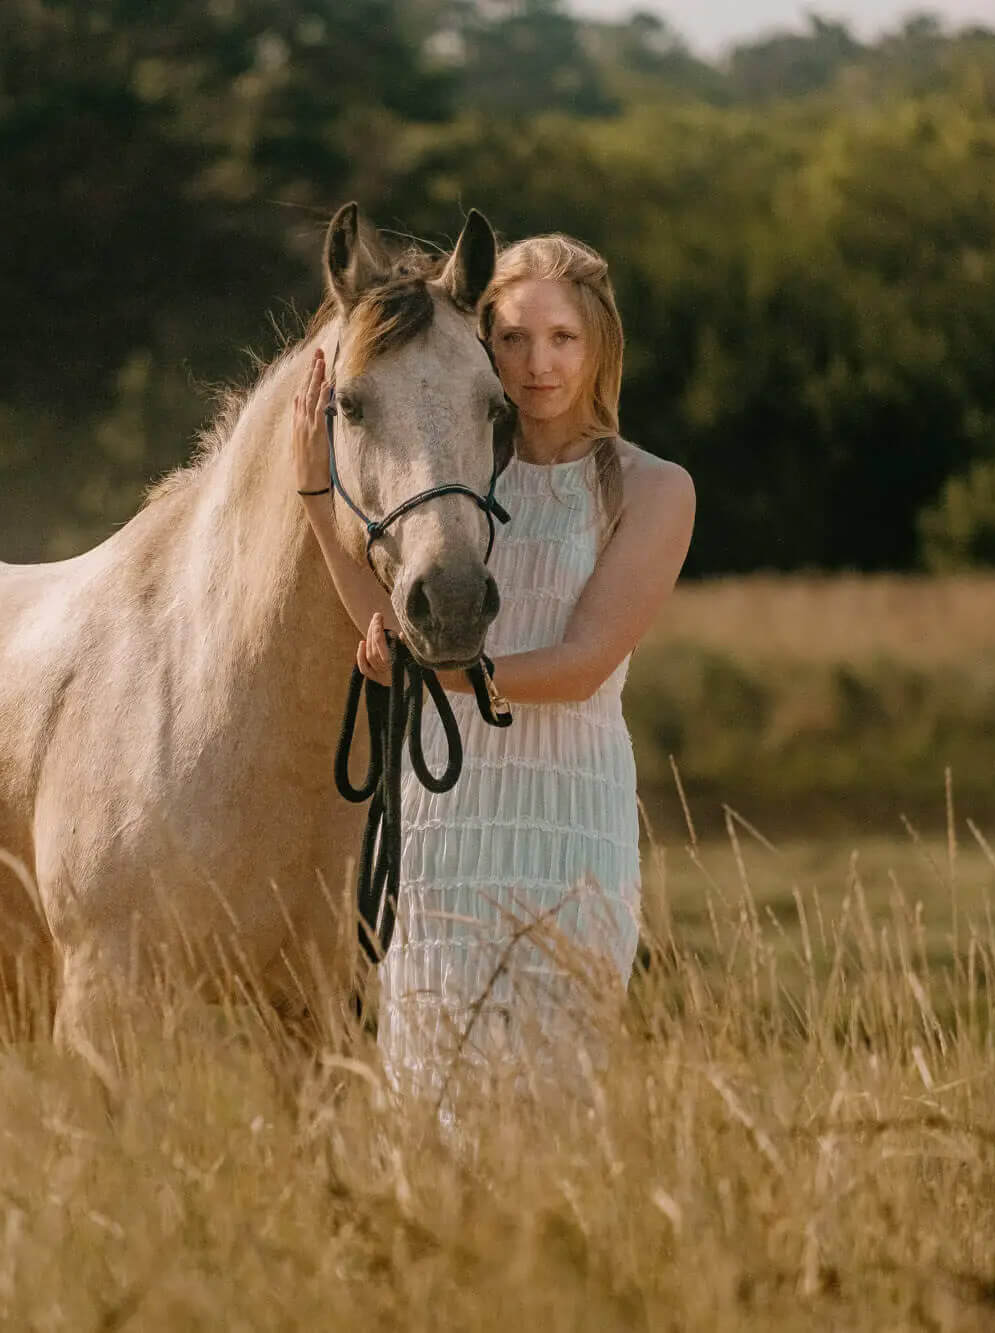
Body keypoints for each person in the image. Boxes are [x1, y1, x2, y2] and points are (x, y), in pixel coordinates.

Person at [291, 231, 695, 1114]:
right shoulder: (460, 480)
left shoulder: (652, 488)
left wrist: (430, 676)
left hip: (565, 826)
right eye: (512, 339)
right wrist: (319, 499)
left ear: (599, 348)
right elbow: (387, 609)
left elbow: (584, 664)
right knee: (427, 1101)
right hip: (443, 827)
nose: (537, 364)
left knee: (554, 1102)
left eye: (562, 339)